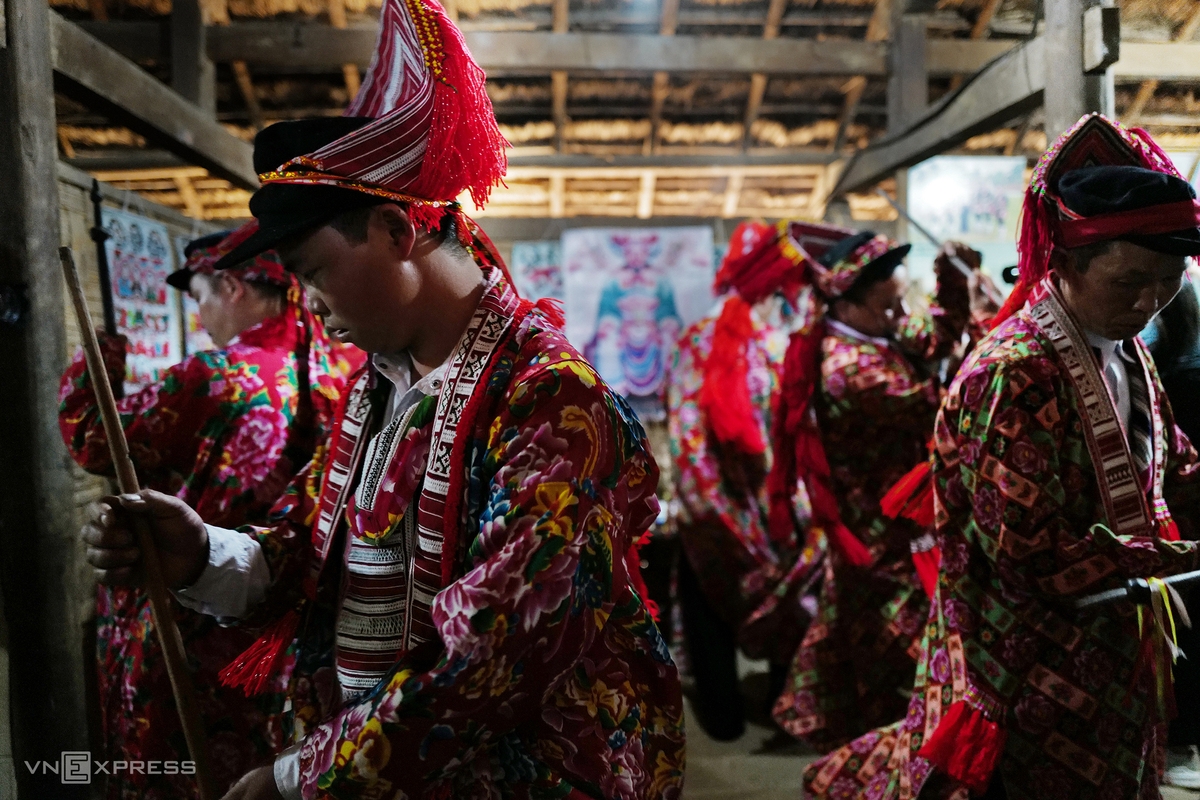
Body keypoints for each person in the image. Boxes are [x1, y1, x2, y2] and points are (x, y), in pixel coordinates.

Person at [80, 0, 685, 797]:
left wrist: (300, 778)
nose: (306, 301)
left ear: (398, 233)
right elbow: (307, 546)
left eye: (314, 270)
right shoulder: (379, 388)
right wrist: (200, 552)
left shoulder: (550, 405)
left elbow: (500, 653)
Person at [803, 113, 1200, 800]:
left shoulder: (1126, 347)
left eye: (1167, 282)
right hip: (1026, 677)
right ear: (1067, 261)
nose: (1148, 302)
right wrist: (1177, 558)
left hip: (1111, 658)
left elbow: (1173, 466)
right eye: (1130, 280)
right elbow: (1029, 554)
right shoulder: (1014, 373)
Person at [59, 224, 363, 798]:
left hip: (186, 629)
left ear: (231, 287)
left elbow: (94, 436)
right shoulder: (329, 376)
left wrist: (99, 360)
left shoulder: (216, 377)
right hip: (276, 640)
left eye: (198, 297)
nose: (198, 317)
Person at [768, 229, 980, 753]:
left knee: (880, 656)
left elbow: (932, 337)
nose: (901, 313)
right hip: (880, 542)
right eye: (891, 302)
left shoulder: (878, 331)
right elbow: (948, 403)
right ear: (851, 300)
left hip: (907, 535)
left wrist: (953, 278)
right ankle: (884, 763)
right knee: (898, 667)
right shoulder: (849, 368)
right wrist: (991, 340)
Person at [665, 220, 822, 741]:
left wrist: (700, 503)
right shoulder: (780, 342)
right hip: (773, 507)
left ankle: (725, 716)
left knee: (709, 607)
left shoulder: (698, 340)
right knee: (791, 599)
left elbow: (685, 432)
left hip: (712, 509)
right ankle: (786, 705)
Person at [1141, 276, 1200, 790]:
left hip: (1173, 528)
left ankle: (1179, 742)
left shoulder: (1152, 358)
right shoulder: (1145, 355)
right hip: (1173, 529)